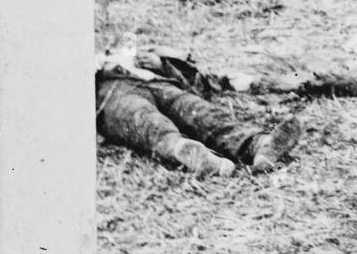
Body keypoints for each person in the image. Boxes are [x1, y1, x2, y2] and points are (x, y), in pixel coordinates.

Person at [96, 48, 302, 176]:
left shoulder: (129, 51)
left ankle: (260, 145)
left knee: (200, 112)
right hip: (110, 96)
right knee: (147, 122)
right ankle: (192, 154)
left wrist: (160, 63)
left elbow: (194, 77)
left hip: (157, 83)